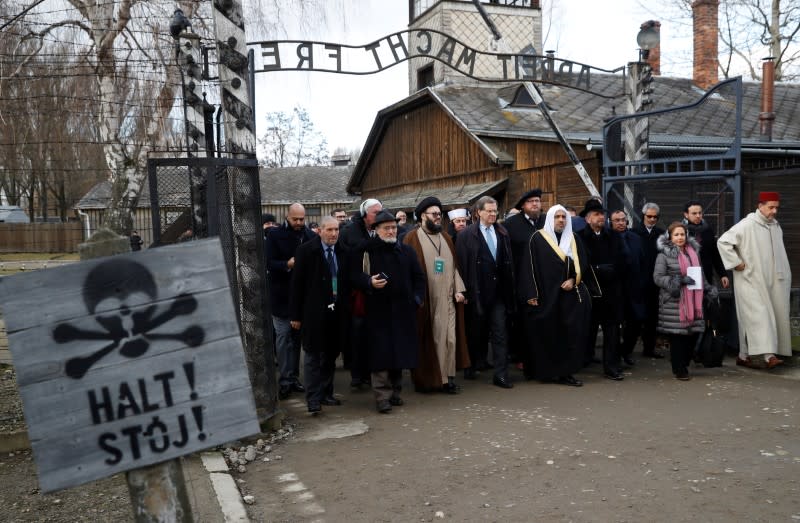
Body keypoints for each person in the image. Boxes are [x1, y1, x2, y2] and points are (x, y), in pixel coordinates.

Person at [351, 210, 426, 413]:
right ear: (376, 230)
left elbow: (419, 278)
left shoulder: (406, 251)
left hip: (403, 311)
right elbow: (352, 275)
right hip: (378, 312)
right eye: (387, 228)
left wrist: (417, 299)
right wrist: (369, 282)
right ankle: (382, 397)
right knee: (381, 355)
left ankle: (395, 392)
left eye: (393, 227)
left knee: (399, 354)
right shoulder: (365, 250)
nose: (392, 231)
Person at [518, 205, 598, 386]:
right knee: (545, 334)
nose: (561, 220)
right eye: (557, 217)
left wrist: (573, 280)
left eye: (564, 217)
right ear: (550, 219)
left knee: (568, 336)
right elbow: (528, 267)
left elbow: (583, 264)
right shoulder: (537, 238)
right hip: (545, 296)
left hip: (568, 298)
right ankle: (544, 372)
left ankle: (565, 373)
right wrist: (531, 293)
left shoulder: (574, 239)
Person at [717, 192, 791, 369]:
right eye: (770, 207)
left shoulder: (775, 226)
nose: (774, 211)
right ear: (760, 206)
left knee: (763, 317)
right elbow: (723, 241)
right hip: (751, 279)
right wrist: (736, 263)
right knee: (759, 316)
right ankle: (768, 356)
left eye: (776, 208)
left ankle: (743, 355)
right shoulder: (747, 225)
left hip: (773, 280)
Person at [404, 197, 469, 394]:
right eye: (434, 214)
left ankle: (447, 379)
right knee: (430, 340)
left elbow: (455, 268)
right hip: (426, 301)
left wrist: (459, 289)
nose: (438, 218)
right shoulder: (411, 238)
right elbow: (407, 272)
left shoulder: (447, 239)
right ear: (423, 216)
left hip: (447, 299)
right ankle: (427, 380)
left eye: (439, 214)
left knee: (449, 339)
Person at [289, 217, 349, 413]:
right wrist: (295, 316)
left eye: (336, 230)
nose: (334, 234)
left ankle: (326, 393)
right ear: (320, 231)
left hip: (336, 311)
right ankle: (313, 399)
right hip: (314, 312)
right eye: (330, 230)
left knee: (331, 355)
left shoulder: (343, 250)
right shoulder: (306, 251)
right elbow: (296, 286)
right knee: (313, 356)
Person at [456, 195, 516, 388]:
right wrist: (463, 291)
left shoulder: (502, 232)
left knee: (500, 333)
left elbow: (508, 263)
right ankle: (471, 365)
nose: (492, 214)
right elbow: (461, 265)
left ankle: (501, 374)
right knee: (475, 333)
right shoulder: (466, 235)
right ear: (478, 212)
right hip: (477, 293)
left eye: (494, 210)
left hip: (498, 294)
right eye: (489, 210)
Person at [264, 203, 315, 399]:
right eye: (296, 219)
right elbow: (269, 262)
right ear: (288, 216)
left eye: (302, 219)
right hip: (281, 295)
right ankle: (285, 379)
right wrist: (287, 264)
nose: (299, 223)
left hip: (301, 297)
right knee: (283, 337)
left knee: (296, 339)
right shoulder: (275, 236)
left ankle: (293, 377)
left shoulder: (309, 235)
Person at [653, 222, 716, 380]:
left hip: (694, 300)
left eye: (682, 234)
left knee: (693, 335)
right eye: (676, 235)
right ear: (670, 237)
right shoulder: (663, 255)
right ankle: (679, 368)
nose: (680, 237)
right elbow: (658, 278)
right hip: (675, 301)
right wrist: (678, 280)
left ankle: (684, 363)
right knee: (678, 338)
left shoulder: (693, 252)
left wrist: (708, 289)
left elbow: (699, 275)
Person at [577, 199, 625, 380]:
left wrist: (613, 270)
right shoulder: (579, 237)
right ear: (588, 218)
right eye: (597, 214)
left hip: (612, 291)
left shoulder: (613, 236)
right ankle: (583, 358)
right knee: (587, 329)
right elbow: (579, 262)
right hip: (590, 291)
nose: (601, 217)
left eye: (602, 214)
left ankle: (611, 366)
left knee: (612, 331)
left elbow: (622, 259)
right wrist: (596, 270)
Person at [339, 198, 383, 388]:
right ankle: (357, 374)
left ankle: (370, 371)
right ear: (365, 214)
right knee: (357, 332)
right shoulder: (349, 231)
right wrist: (370, 243)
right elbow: (348, 257)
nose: (379, 216)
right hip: (355, 289)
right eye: (375, 212)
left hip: (374, 287)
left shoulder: (378, 229)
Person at [504, 189, 545, 368]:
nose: (535, 204)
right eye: (531, 201)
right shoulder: (511, 224)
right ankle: (522, 356)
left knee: (544, 318)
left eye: (537, 201)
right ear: (522, 206)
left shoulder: (546, 221)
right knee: (523, 321)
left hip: (545, 279)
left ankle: (542, 355)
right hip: (521, 279)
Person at [610, 210, 646, 367]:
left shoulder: (636, 239)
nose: (620, 223)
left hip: (634, 288)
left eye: (623, 220)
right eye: (617, 220)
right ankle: (614, 356)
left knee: (635, 323)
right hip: (614, 289)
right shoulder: (607, 239)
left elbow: (642, 261)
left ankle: (626, 351)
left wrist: (642, 282)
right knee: (613, 326)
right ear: (611, 222)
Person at [632, 202, 666, 359]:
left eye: (655, 217)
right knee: (635, 316)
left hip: (655, 280)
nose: (652, 219)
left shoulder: (661, 234)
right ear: (643, 216)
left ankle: (649, 349)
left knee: (652, 316)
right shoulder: (634, 233)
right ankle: (628, 350)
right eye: (649, 216)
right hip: (638, 280)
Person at [683, 201, 730, 289]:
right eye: (694, 213)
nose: (698, 216)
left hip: (706, 275)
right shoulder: (680, 231)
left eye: (700, 213)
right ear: (686, 215)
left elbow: (714, 254)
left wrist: (722, 274)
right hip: (686, 276)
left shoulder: (707, 230)